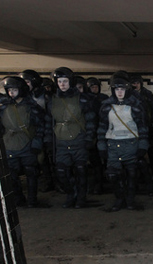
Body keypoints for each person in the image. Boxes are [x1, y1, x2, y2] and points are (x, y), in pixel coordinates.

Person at [44, 67, 97, 209]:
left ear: (70, 82)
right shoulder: (52, 101)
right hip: (60, 140)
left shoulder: (82, 99)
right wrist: (48, 141)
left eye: (65, 81)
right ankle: (71, 194)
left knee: (81, 170)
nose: (62, 84)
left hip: (78, 138)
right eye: (59, 81)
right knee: (61, 171)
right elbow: (49, 122)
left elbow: (90, 120)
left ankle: (81, 198)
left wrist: (89, 138)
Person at [97, 71, 149, 212]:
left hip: (131, 143)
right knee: (114, 175)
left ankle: (130, 201)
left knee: (131, 174)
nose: (120, 92)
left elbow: (142, 127)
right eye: (117, 89)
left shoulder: (135, 105)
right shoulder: (106, 106)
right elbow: (102, 127)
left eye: (122, 89)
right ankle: (119, 199)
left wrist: (143, 146)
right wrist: (101, 146)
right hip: (113, 144)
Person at [0, 76, 45, 207]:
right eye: (9, 90)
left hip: (27, 144)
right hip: (9, 144)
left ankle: (32, 200)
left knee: (31, 173)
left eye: (14, 90)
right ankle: (18, 198)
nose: (11, 93)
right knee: (12, 175)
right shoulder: (3, 108)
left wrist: (37, 143)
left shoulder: (31, 107)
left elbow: (40, 127)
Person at [131, 74, 153, 196]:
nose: (134, 85)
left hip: (148, 128)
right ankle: (140, 179)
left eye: (136, 82)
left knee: (152, 154)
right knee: (137, 156)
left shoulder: (148, 95)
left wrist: (152, 128)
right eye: (133, 82)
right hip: (133, 130)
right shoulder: (128, 96)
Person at [86, 77, 109, 195]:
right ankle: (97, 183)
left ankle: (105, 180)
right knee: (94, 161)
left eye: (96, 86)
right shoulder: (86, 100)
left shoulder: (104, 99)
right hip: (91, 133)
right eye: (92, 87)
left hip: (104, 132)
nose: (94, 89)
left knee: (106, 158)